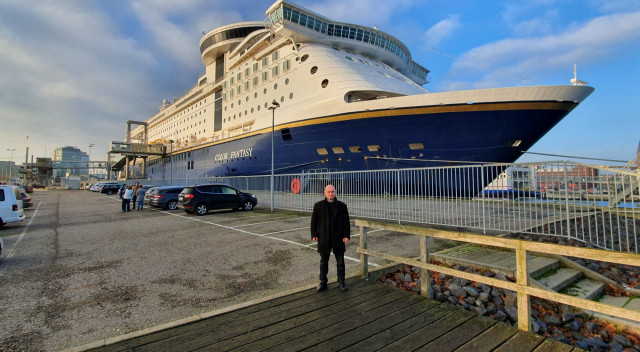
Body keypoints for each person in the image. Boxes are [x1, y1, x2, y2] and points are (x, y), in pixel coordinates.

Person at [310, 184, 350, 292]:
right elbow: (314, 222)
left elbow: (346, 222)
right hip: (324, 237)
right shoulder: (318, 206)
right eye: (328, 192)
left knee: (340, 261)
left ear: (335, 192)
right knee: (323, 261)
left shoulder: (342, 206)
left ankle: (341, 281)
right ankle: (323, 282)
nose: (330, 194)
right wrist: (314, 234)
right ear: (325, 193)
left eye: (332, 192)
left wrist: (346, 235)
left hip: (338, 237)